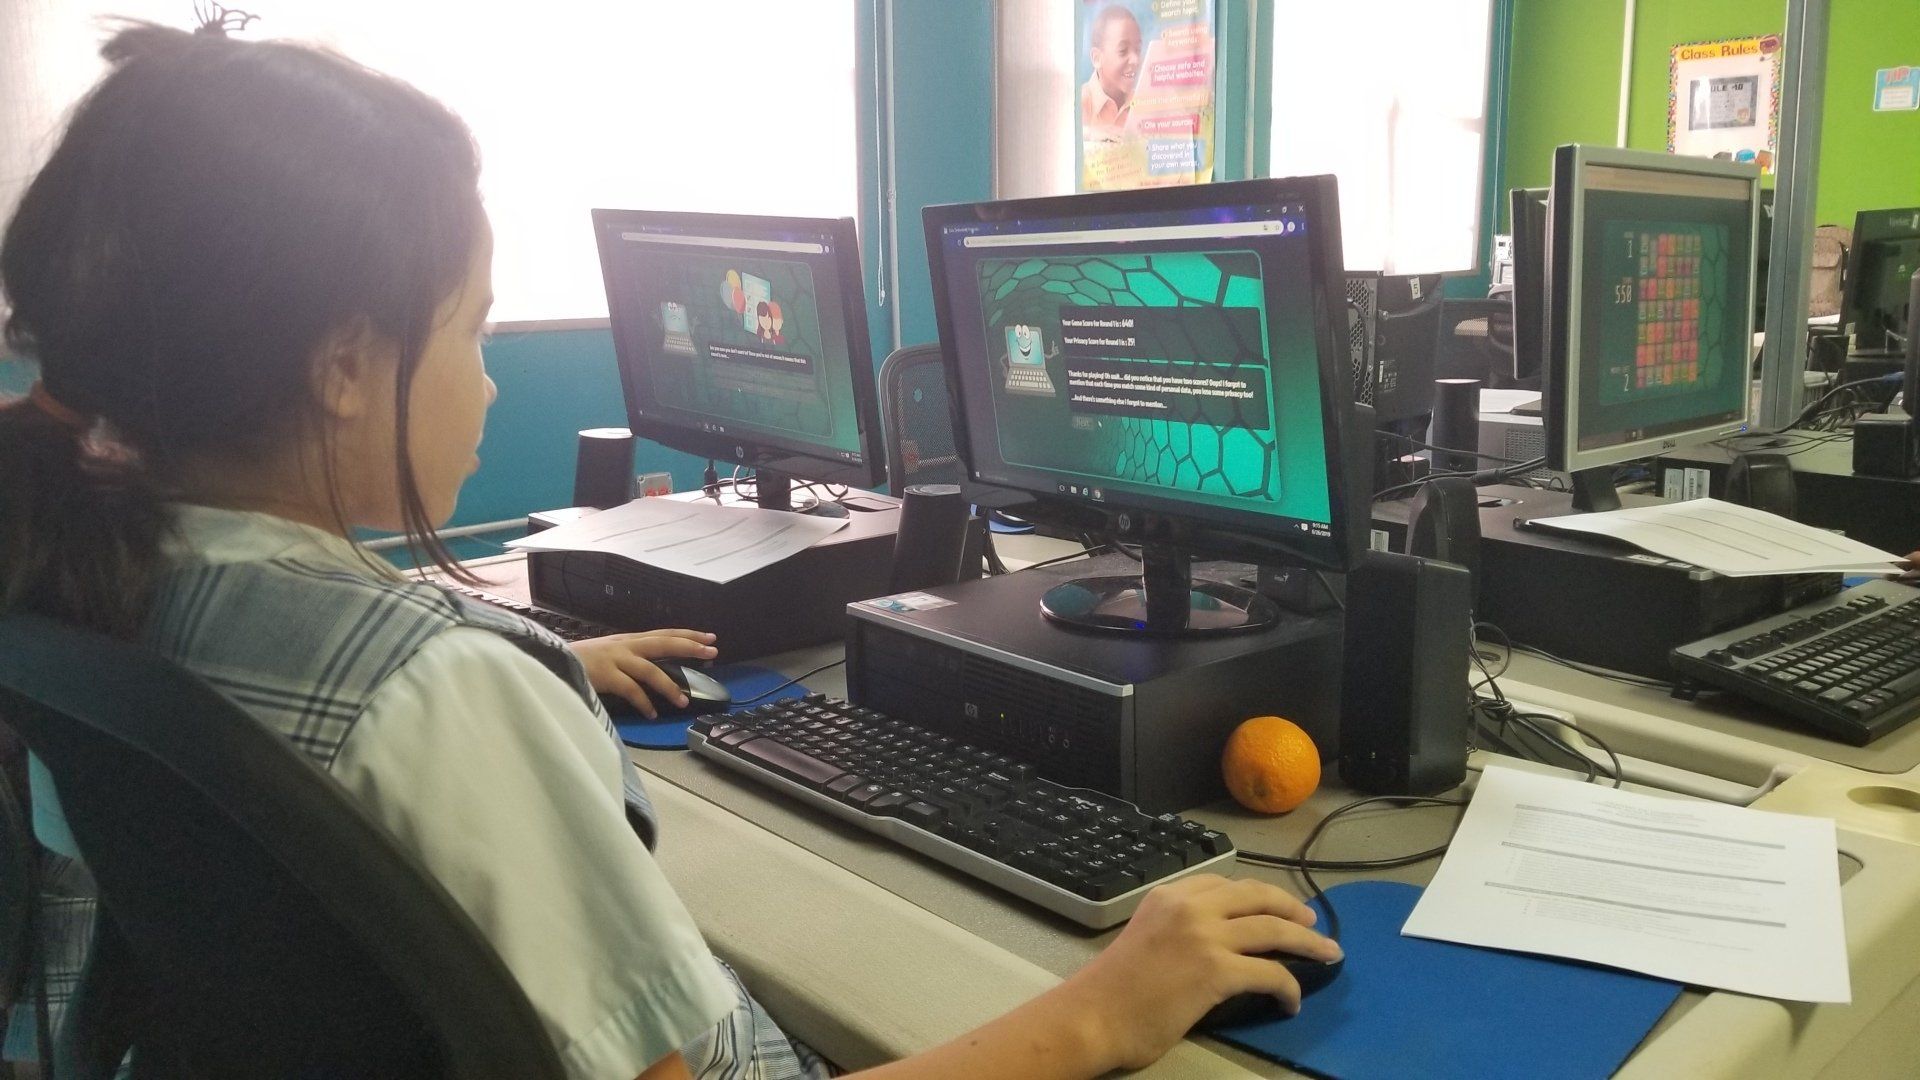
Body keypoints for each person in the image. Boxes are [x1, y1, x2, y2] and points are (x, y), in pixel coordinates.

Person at [0, 21, 1340, 1080]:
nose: (488, 380)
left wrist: (536, 674)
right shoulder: (436, 695)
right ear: (345, 366)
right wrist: (1106, 1008)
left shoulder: (106, 569)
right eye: (472, 328)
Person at [1080, 5, 1143, 136]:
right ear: (1097, 58)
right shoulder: (1081, 102)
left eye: (1138, 50)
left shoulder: (1142, 103)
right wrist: (1091, 134)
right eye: (1123, 51)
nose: (1135, 60)